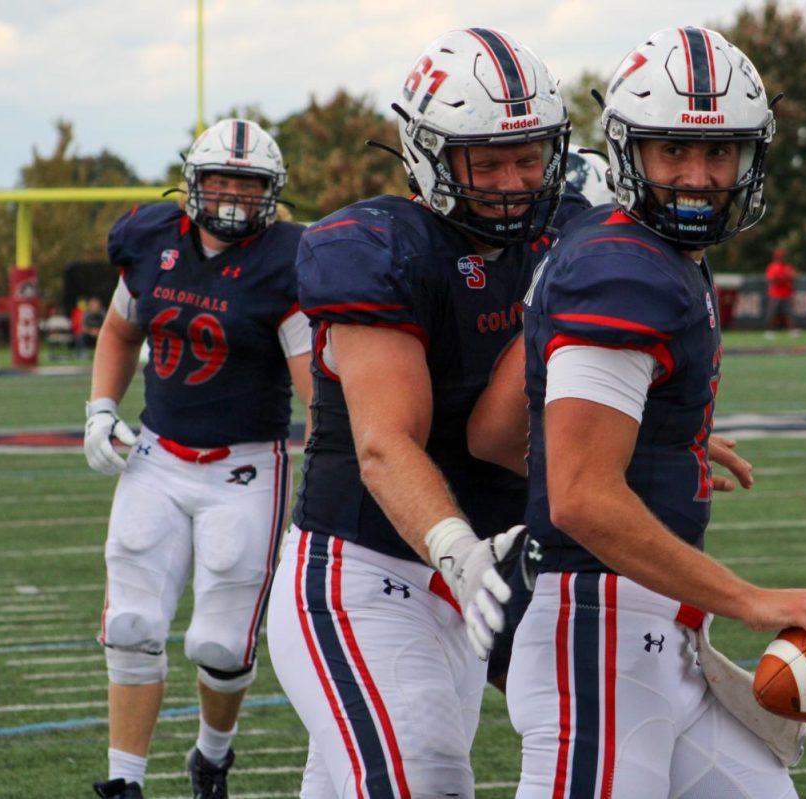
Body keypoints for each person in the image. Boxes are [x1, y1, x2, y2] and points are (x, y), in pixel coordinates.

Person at [504, 27, 806, 798]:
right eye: (672, 150)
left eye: (720, 153)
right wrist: (754, 598)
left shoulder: (643, 252)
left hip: (654, 635)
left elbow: (498, 432)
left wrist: (656, 437)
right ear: (627, 151)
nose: (699, 176)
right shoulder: (620, 269)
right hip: (599, 637)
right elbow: (578, 493)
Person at [264, 28, 585, 798]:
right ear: (430, 153)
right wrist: (465, 560)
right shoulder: (382, 244)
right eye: (488, 160)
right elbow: (383, 445)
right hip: (364, 575)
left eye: (528, 154)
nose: (513, 180)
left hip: (481, 577)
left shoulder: (570, 233)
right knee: (424, 778)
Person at [85, 117, 311, 799]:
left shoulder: (288, 261)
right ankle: (124, 780)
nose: (233, 197)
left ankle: (212, 754)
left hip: (245, 466)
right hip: (157, 454)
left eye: (248, 184)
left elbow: (314, 389)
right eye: (220, 180)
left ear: (271, 192)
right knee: (130, 622)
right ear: (194, 183)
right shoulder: (154, 242)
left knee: (219, 644)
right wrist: (101, 406)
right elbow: (121, 330)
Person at [764, 246, 797, 336]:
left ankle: (792, 331)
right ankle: (769, 332)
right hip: (775, 294)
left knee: (789, 313)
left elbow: (794, 276)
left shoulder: (787, 266)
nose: (782, 257)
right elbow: (772, 280)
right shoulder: (772, 267)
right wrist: (784, 279)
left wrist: (784, 279)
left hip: (786, 293)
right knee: (772, 314)